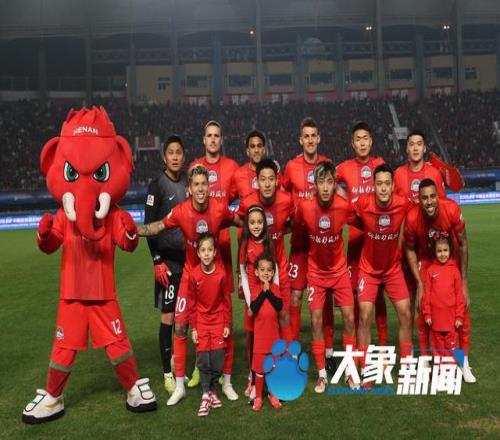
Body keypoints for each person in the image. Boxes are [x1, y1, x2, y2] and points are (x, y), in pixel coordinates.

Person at [138, 164, 241, 405]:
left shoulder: (219, 208)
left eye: (204, 184)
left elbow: (239, 220)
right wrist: (131, 229)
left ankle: (226, 383)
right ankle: (179, 387)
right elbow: (157, 226)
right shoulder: (181, 211)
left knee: (226, 327)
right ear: (190, 189)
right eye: (196, 184)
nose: (201, 188)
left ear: (209, 187)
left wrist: (265, 227)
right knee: (181, 327)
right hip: (190, 276)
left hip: (216, 276)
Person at [294, 161, 357, 392]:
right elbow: (296, 224)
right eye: (321, 182)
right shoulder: (305, 207)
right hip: (316, 273)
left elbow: (360, 219)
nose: (326, 187)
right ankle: (322, 375)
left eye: (330, 182)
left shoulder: (343, 206)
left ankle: (349, 370)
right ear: (315, 184)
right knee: (316, 320)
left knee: (349, 318)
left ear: (334, 184)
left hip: (339, 271)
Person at [404, 178, 476, 382]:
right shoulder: (412, 218)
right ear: (419, 199)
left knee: (462, 312)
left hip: (448, 256)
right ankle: (426, 360)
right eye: (424, 198)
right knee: (422, 309)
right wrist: (419, 284)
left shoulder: (451, 209)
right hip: (426, 260)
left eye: (432, 196)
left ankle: (463, 362)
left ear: (438, 196)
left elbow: (463, 243)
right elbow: (409, 249)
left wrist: (464, 282)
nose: (429, 202)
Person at [189, 120, 239, 400]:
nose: (212, 139)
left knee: (223, 312)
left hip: (222, 253)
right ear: (203, 139)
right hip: (197, 256)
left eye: (217, 135)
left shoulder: (232, 168)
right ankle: (202, 369)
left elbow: (245, 195)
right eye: (208, 135)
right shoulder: (194, 167)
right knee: (199, 312)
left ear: (221, 139)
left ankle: (225, 375)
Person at [283, 118, 335, 374]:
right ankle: (293, 352)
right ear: (301, 140)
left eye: (314, 135)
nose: (311, 140)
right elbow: (283, 194)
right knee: (295, 297)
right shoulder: (292, 167)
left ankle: (329, 352)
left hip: (323, 246)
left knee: (326, 301)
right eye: (307, 136)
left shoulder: (327, 165)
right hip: (299, 246)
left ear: (319, 138)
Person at [354, 163, 413, 385]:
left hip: (392, 269)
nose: (383, 188)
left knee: (405, 313)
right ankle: (366, 369)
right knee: (364, 315)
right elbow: (341, 208)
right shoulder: (363, 203)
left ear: (393, 185)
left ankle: (406, 367)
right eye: (379, 184)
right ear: (373, 186)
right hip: (368, 269)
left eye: (387, 184)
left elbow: (425, 205)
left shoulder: (403, 203)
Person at [336, 122, 388, 346]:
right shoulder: (345, 168)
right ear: (352, 143)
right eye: (358, 139)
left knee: (379, 296)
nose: (362, 143)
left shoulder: (380, 164)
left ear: (371, 141)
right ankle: (359, 342)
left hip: (379, 241)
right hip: (356, 242)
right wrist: (343, 196)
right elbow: (325, 178)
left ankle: (382, 345)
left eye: (365, 138)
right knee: (356, 294)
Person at [144, 135, 187, 395]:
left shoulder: (186, 181)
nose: (175, 157)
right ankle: (167, 374)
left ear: (183, 156)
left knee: (185, 316)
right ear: (164, 156)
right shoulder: (157, 185)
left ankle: (176, 362)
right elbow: (149, 226)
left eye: (178, 152)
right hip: (167, 263)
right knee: (168, 316)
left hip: (188, 261)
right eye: (170, 152)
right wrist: (156, 260)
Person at [237, 159, 293, 343]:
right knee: (254, 316)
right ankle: (255, 360)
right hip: (254, 273)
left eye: (271, 179)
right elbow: (239, 226)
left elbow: (296, 220)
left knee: (283, 314)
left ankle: (287, 357)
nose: (267, 184)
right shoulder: (247, 203)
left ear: (277, 180)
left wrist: (282, 231)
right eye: (263, 179)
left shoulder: (286, 200)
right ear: (257, 181)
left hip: (280, 268)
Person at [189, 233, 232, 417]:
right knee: (203, 359)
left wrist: (226, 323)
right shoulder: (194, 275)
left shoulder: (221, 274)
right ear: (198, 253)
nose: (206, 254)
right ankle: (206, 395)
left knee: (217, 359)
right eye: (203, 250)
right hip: (201, 322)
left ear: (215, 252)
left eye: (209, 250)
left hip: (218, 321)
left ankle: (212, 390)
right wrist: (194, 327)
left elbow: (226, 301)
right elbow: (191, 303)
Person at [239, 205, 275, 399]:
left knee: (266, 337)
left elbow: (274, 271)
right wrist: (249, 301)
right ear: (247, 224)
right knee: (252, 336)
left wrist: (274, 293)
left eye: (259, 222)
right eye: (252, 222)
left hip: (266, 295)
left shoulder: (269, 243)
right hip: (252, 297)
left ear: (264, 224)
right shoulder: (245, 244)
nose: (256, 226)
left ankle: (268, 377)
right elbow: (243, 273)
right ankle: (252, 377)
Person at [249, 252, 283, 412]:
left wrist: (269, 291)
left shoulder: (275, 289)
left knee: (273, 368)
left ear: (273, 272)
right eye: (262, 270)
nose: (266, 273)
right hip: (260, 339)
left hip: (274, 337)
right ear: (256, 272)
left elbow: (279, 306)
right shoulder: (255, 289)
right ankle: (258, 397)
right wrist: (264, 291)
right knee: (260, 371)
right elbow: (254, 308)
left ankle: (272, 394)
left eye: (269, 270)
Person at [422, 232, 464, 359]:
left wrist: (459, 316)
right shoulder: (430, 271)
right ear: (434, 252)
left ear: (450, 250)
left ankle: (453, 366)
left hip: (451, 317)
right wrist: (427, 314)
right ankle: (439, 367)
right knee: (437, 344)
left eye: (445, 250)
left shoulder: (454, 271)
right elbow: (427, 295)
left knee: (453, 344)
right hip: (436, 317)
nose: (442, 254)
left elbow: (459, 295)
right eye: (439, 251)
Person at [394, 131, 446, 203]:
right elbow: (393, 203)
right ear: (407, 149)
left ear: (424, 148)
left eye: (419, 144)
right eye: (411, 144)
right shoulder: (398, 174)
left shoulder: (435, 173)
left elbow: (442, 203)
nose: (415, 148)